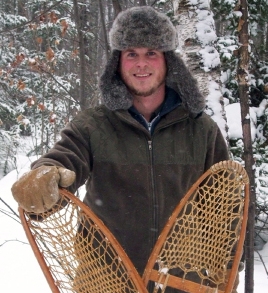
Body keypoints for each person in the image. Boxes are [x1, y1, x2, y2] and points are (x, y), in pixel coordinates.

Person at [11, 6, 236, 293]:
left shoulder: (201, 130)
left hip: (181, 283)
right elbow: (66, 159)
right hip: (106, 281)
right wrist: (45, 178)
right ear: (118, 62)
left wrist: (228, 268)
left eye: (151, 53)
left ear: (168, 61)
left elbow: (225, 207)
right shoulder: (93, 125)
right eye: (131, 54)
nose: (141, 64)